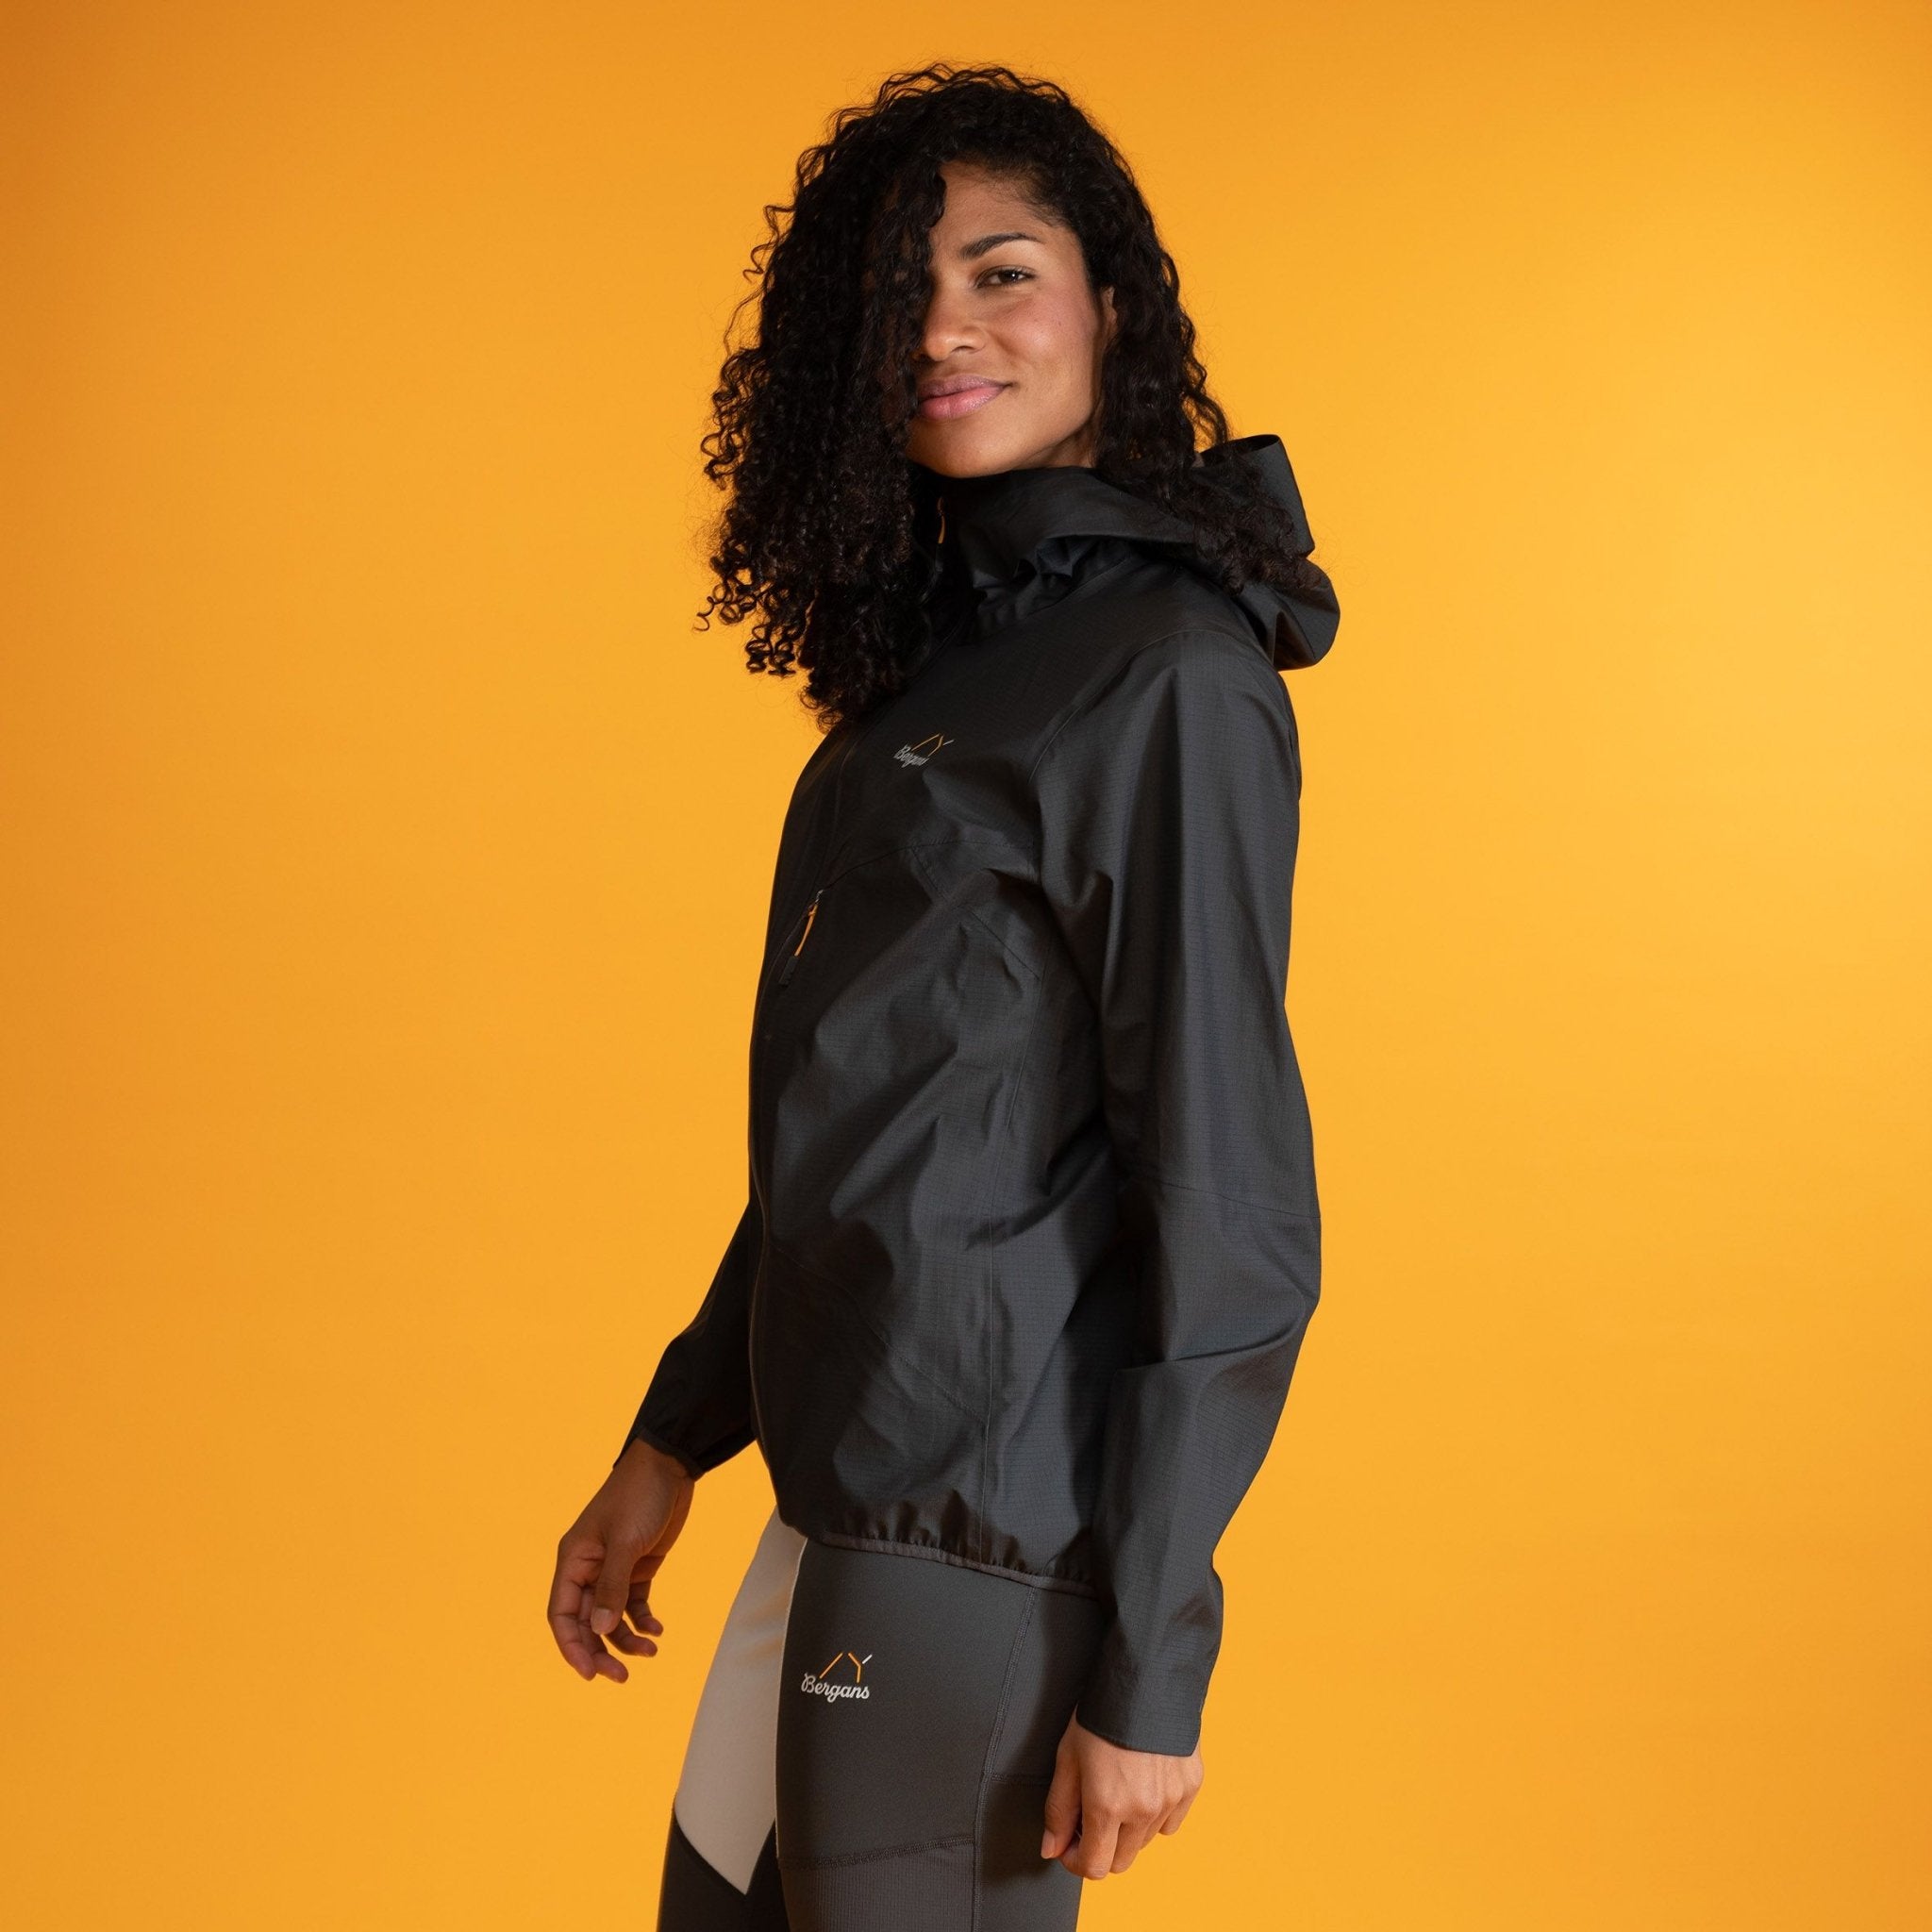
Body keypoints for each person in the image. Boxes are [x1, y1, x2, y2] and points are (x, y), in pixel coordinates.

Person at [546, 61, 1341, 1932]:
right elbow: (873, 1131)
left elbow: (1225, 1190)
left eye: (1001, 275)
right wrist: (674, 1434)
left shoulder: (1165, 678)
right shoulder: (941, 679)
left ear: (1108, 309)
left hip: (980, 1526)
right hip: (841, 1495)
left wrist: (1151, 1659)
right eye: (900, 294)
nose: (943, 332)